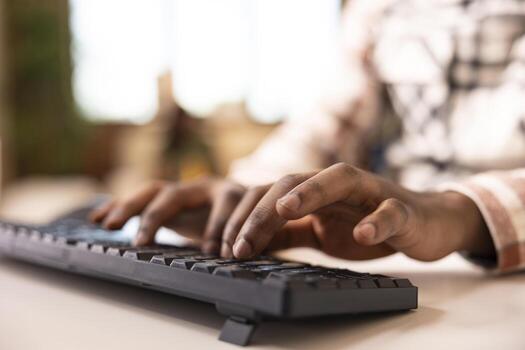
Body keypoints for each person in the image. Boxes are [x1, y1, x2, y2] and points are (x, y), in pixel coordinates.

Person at [91, 0, 525, 273]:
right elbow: (333, 121)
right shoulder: (378, 7)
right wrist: (250, 189)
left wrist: (464, 212)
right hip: (395, 254)